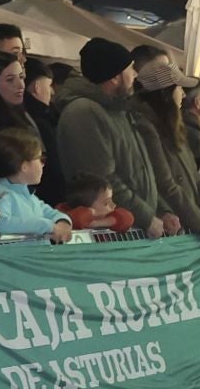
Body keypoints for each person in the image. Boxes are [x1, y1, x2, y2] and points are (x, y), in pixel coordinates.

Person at [56, 37, 170, 238]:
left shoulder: (117, 110)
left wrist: (160, 209)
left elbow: (141, 173)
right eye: (131, 68)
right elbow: (102, 179)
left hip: (131, 229)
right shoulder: (83, 113)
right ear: (116, 76)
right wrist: (145, 217)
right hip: (110, 235)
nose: (135, 74)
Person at [129, 60, 200, 244]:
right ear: (165, 93)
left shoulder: (174, 127)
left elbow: (195, 178)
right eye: (179, 88)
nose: (183, 94)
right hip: (172, 229)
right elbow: (166, 184)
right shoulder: (146, 128)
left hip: (187, 224)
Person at [0, 128, 72, 242]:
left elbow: (52, 213)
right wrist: (45, 226)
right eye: (41, 159)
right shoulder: (0, 192)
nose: (43, 165)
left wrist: (63, 222)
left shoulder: (30, 197)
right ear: (24, 166)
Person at [23, 57, 66, 204]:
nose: (52, 91)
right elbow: (53, 164)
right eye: (49, 85)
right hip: (48, 198)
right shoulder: (39, 120)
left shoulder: (34, 116)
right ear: (37, 87)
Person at [57, 176, 135, 233]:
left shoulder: (107, 217)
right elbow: (77, 219)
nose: (114, 205)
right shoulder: (62, 215)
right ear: (87, 208)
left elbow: (127, 218)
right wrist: (91, 214)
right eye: (106, 203)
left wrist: (96, 223)